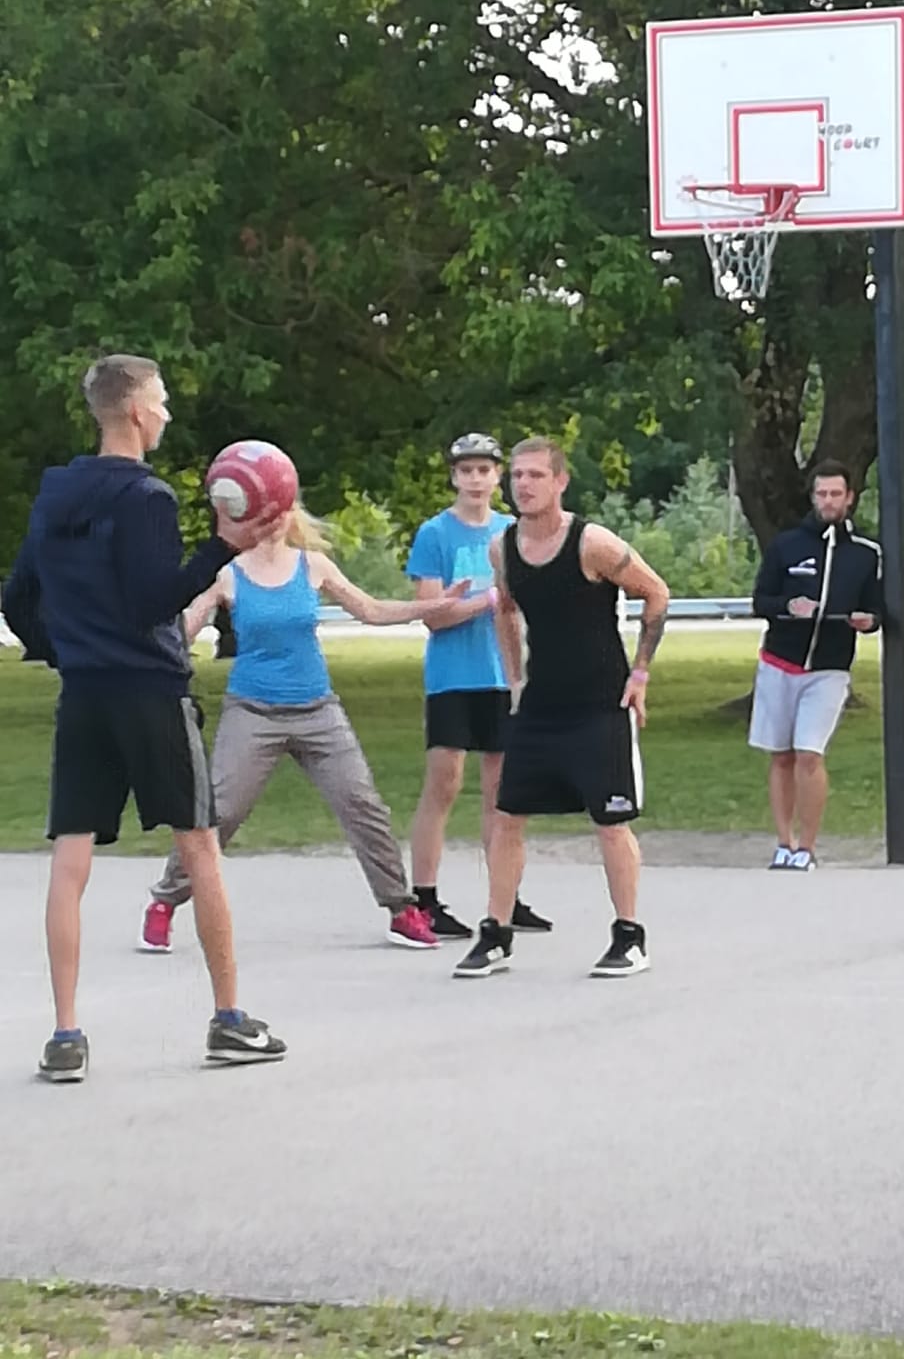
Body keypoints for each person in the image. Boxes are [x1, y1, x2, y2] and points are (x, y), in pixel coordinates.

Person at [1, 354, 287, 1083]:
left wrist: (64, 654)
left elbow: (16, 600)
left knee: (71, 861)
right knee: (200, 848)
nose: (165, 413)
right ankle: (228, 1021)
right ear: (134, 411)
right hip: (151, 693)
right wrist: (224, 546)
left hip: (85, 695)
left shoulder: (56, 492)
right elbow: (152, 602)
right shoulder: (147, 496)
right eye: (159, 401)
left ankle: (65, 1036)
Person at [140, 504, 469, 953]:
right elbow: (183, 630)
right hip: (253, 712)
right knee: (222, 811)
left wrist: (436, 605)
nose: (274, 519)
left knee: (363, 805)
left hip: (318, 710)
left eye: (281, 509)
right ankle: (164, 902)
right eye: (263, 510)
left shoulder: (313, 565)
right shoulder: (228, 572)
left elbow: (371, 610)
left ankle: (401, 909)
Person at [454, 437, 670, 980]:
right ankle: (496, 934)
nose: (523, 485)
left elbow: (656, 593)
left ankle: (629, 936)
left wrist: (640, 674)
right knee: (507, 817)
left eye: (535, 475)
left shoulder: (592, 543)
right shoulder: (503, 548)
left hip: (600, 704)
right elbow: (504, 608)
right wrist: (515, 679)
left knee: (611, 821)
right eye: (517, 476)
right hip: (540, 706)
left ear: (560, 482)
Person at [405, 432, 551, 939]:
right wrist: (484, 601)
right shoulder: (435, 534)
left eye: (484, 470)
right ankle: (425, 898)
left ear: (497, 477)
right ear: (454, 477)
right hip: (452, 676)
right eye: (465, 470)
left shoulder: (512, 531)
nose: (475, 479)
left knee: (503, 791)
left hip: (503, 675)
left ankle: (505, 898)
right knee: (444, 783)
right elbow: (432, 614)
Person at [749, 459, 882, 871]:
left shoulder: (867, 553)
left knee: (809, 754)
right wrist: (789, 606)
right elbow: (761, 600)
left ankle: (807, 847)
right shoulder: (786, 545)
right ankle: (783, 843)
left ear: (850, 498)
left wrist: (869, 620)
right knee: (781, 755)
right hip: (780, 663)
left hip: (829, 669)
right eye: (822, 494)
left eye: (835, 494)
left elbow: (877, 609)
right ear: (813, 497)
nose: (828, 501)